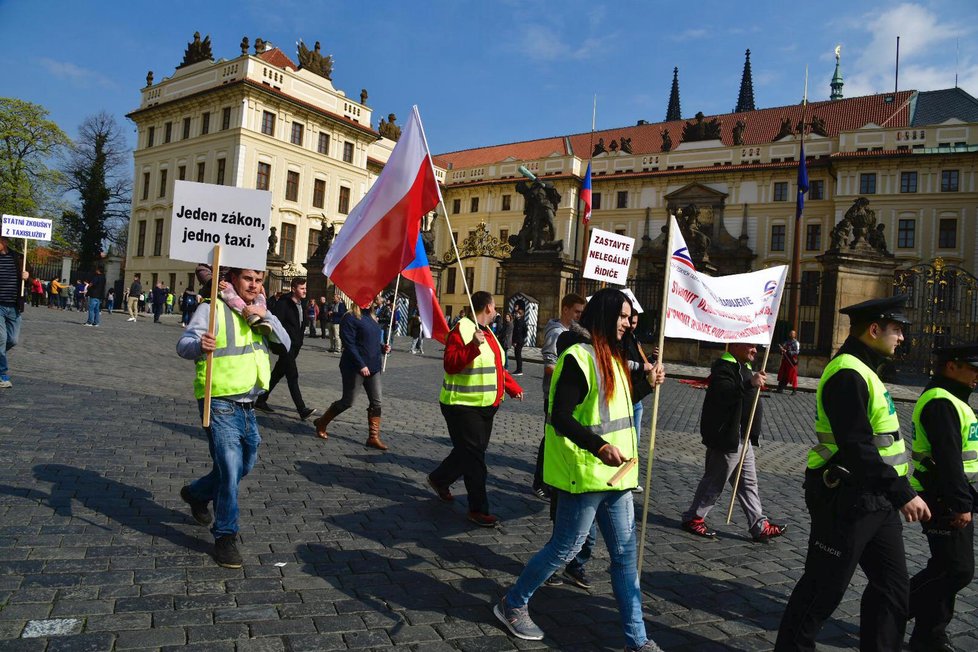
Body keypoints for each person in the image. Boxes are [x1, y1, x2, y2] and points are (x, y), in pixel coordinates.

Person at [493, 289, 664, 652]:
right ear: (603, 316)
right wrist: (599, 447)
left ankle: (638, 641)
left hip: (617, 477)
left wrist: (645, 387)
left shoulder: (613, 356)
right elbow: (561, 416)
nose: (627, 323)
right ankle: (512, 602)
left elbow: (618, 404)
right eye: (621, 315)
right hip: (584, 474)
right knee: (564, 549)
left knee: (623, 558)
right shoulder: (578, 357)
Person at [776, 295, 931, 651]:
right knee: (822, 590)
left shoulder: (865, 369)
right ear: (874, 330)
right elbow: (857, 447)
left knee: (892, 589)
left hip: (876, 500)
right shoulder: (847, 372)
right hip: (845, 497)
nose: (902, 338)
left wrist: (896, 490)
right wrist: (903, 493)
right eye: (897, 330)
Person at [176, 267, 289, 568]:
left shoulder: (262, 310)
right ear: (233, 280)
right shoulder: (211, 307)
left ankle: (197, 493)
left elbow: (286, 344)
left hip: (249, 406)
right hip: (219, 400)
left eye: (259, 280)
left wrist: (264, 317)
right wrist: (199, 345)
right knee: (229, 468)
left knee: (245, 465)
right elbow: (183, 345)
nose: (254, 285)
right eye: (248, 279)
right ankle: (225, 535)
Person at [427, 291, 523, 527]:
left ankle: (439, 479)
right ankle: (478, 509)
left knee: (468, 453)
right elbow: (450, 364)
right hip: (461, 405)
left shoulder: (488, 332)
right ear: (488, 307)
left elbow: (496, 366)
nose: (497, 311)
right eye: (495, 307)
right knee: (476, 459)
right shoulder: (461, 330)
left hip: (485, 406)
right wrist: (471, 346)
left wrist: (511, 387)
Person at [907, 344, 978, 652]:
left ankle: (929, 635)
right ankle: (891, 609)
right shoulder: (941, 401)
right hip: (943, 497)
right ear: (952, 367)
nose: (977, 375)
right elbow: (947, 459)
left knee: (945, 567)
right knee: (956, 569)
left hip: (955, 494)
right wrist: (961, 503)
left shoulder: (953, 398)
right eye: (973, 368)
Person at [680, 343, 787, 541]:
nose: (755, 350)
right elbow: (724, 394)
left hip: (743, 438)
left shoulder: (744, 366)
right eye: (751, 346)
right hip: (727, 437)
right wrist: (750, 383)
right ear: (737, 345)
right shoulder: (724, 367)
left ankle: (759, 524)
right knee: (715, 481)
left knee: (748, 484)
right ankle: (693, 518)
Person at [313, 293, 392, 449]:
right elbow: (349, 344)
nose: (369, 301)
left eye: (371, 299)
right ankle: (322, 422)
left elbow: (372, 342)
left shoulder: (371, 317)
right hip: (354, 367)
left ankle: (373, 437)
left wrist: (384, 348)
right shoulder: (349, 318)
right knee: (348, 401)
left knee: (377, 402)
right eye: (365, 298)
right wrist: (361, 365)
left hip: (374, 366)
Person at [532, 293, 586, 500]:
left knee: (558, 439)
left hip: (566, 394)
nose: (579, 316)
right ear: (565, 309)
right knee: (551, 440)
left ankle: (553, 480)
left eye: (582, 312)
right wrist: (573, 376)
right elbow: (549, 366)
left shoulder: (572, 332)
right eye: (577, 312)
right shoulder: (557, 333)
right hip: (554, 395)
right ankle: (540, 482)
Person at [255, 277, 316, 420]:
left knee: (277, 373)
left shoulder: (303, 303)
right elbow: (276, 324)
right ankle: (302, 409)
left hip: (295, 346)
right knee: (292, 376)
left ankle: (261, 400)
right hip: (286, 345)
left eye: (305, 288)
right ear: (293, 289)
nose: (304, 291)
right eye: (302, 288)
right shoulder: (284, 303)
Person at [623, 311, 655, 494]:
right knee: (628, 441)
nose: (631, 325)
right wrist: (644, 366)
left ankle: (631, 477)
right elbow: (622, 362)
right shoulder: (620, 340)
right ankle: (626, 478)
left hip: (637, 396)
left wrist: (650, 359)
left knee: (634, 442)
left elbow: (638, 362)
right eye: (628, 320)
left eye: (634, 322)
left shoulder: (634, 338)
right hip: (628, 393)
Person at [0, 235, 29, 389]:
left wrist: (27, 277)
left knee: (13, 340)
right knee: (1, 339)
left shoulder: (19, 258)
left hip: (14, 306)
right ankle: (2, 374)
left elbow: (32, 280)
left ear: (5, 241)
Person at [777, 330, 800, 394]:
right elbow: (783, 349)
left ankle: (794, 390)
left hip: (792, 361)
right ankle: (780, 388)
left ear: (795, 335)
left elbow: (797, 352)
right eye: (790, 333)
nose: (791, 335)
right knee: (784, 374)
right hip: (785, 361)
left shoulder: (796, 343)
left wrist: (788, 352)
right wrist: (782, 350)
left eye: (792, 334)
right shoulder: (786, 342)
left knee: (792, 375)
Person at [511, 306, 527, 375]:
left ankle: (519, 370)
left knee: (518, 356)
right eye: (516, 313)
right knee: (517, 355)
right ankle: (518, 369)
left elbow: (519, 332)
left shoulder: (520, 322)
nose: (516, 314)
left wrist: (515, 341)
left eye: (518, 313)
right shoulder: (518, 321)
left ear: (521, 315)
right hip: (519, 341)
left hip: (518, 341)